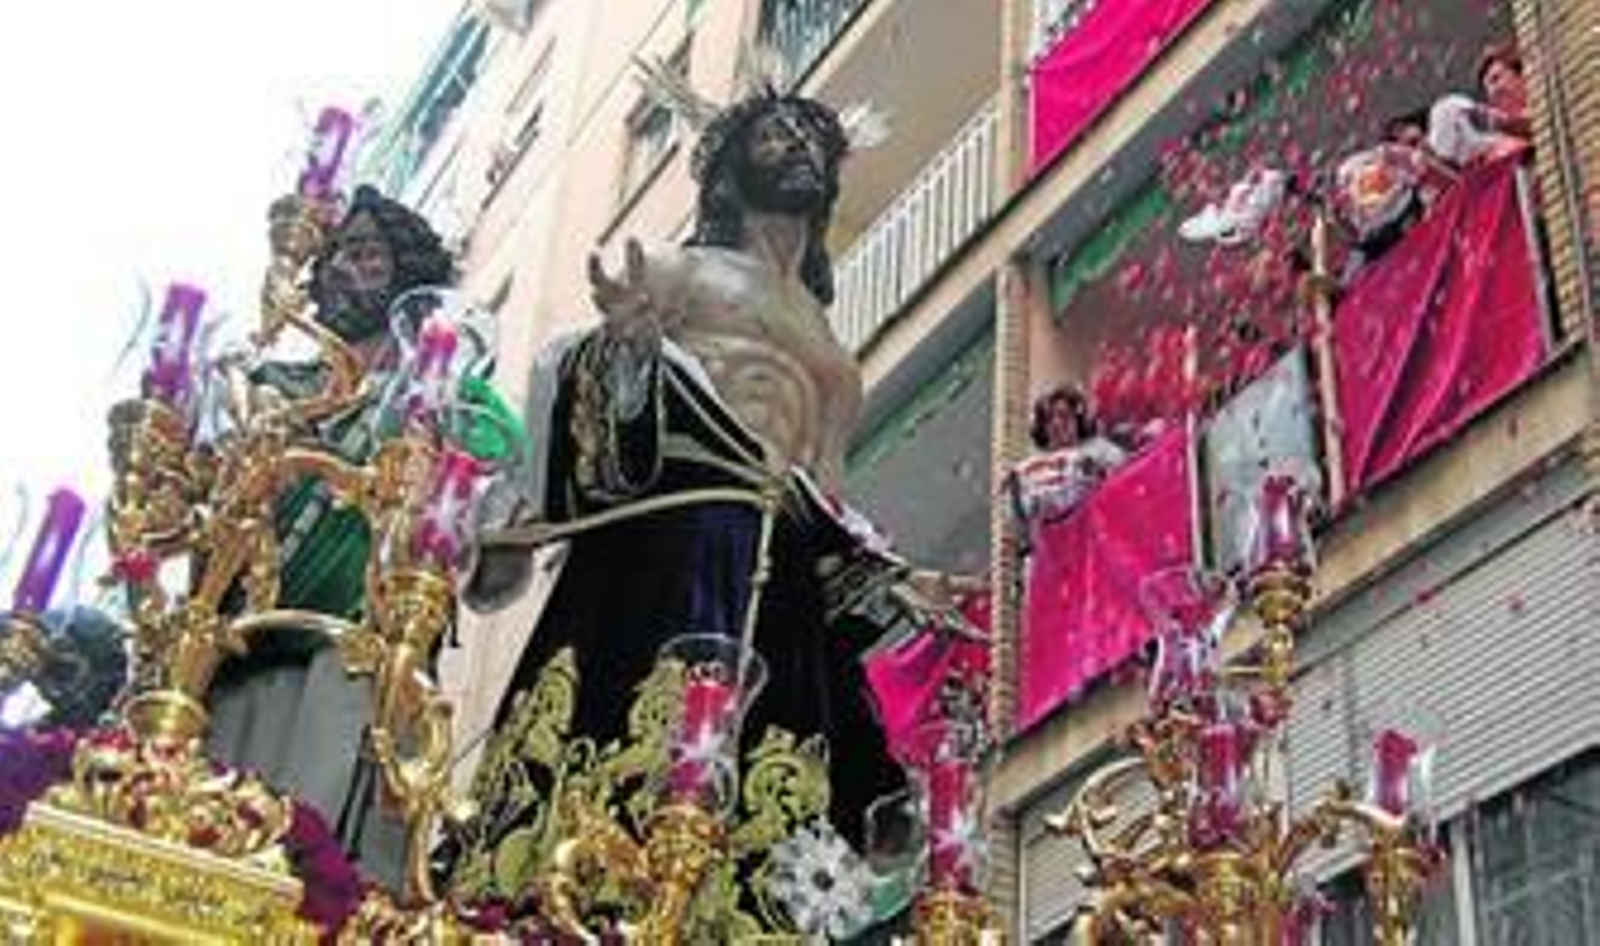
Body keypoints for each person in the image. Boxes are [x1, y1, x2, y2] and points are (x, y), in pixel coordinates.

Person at [445, 87, 928, 933]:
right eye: (775, 133)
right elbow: (585, 382)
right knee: (636, 734)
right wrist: (626, 353)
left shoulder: (833, 350)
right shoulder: (681, 272)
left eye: (813, 136)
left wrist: (871, 578)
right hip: (681, 542)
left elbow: (827, 489)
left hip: (781, 574)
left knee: (774, 760)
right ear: (732, 170)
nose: (797, 145)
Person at [203, 185, 519, 890]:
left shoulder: (454, 397)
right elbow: (210, 504)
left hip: (355, 659)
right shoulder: (273, 387)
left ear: (411, 274)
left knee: (311, 867)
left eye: (369, 253)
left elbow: (498, 518)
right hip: (236, 652)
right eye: (338, 254)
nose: (346, 268)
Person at [1006, 385, 1129, 546]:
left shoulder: (1103, 452)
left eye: (1064, 416)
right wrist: (1017, 496)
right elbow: (1020, 528)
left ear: (1078, 419)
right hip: (1053, 551)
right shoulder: (1031, 468)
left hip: (1095, 546)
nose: (1056, 423)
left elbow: (1126, 489)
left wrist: (1099, 473)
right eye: (1048, 418)